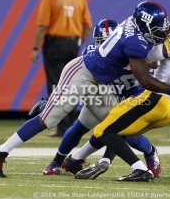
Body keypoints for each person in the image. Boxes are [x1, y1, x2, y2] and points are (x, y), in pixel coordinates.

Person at [0, 1, 170, 178]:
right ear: (143, 25)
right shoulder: (134, 40)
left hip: (100, 82)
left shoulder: (136, 26)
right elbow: (144, 80)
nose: (159, 33)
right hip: (83, 73)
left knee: (113, 124)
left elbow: (159, 32)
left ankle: (75, 160)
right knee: (50, 119)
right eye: (155, 29)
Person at [73, 4, 170, 182]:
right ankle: (83, 160)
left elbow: (149, 56)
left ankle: (140, 169)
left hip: (155, 98)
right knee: (118, 129)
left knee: (104, 130)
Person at [39, 19, 161, 178]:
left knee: (126, 133)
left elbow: (148, 78)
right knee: (79, 127)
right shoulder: (92, 53)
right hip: (104, 94)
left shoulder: (136, 52)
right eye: (101, 43)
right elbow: (79, 81)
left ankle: (149, 152)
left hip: (130, 95)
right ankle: (58, 162)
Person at [31, 0, 93, 137]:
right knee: (71, 84)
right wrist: (78, 42)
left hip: (55, 43)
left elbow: (42, 25)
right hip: (73, 43)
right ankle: (71, 125)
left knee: (56, 84)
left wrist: (35, 47)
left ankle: (63, 127)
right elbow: (88, 26)